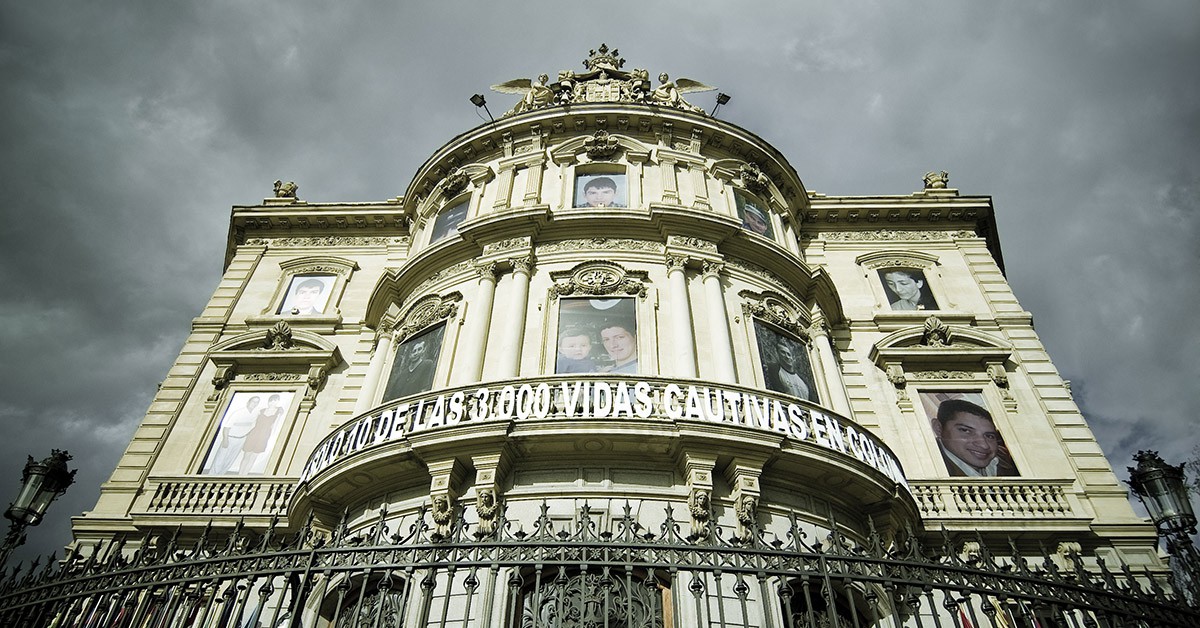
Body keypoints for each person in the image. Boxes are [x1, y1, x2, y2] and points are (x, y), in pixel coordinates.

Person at [931, 399, 1018, 477]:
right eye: (966, 430)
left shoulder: (1006, 459)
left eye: (989, 436)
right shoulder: (931, 469)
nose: (984, 445)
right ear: (938, 428)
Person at [207, 395, 260, 474]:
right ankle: (212, 475)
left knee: (230, 459)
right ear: (248, 402)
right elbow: (226, 427)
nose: (254, 404)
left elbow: (252, 426)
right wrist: (225, 439)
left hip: (241, 439)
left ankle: (221, 475)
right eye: (253, 401)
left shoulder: (255, 414)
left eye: (257, 402)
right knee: (221, 458)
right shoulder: (238, 413)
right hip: (230, 438)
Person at [239, 394, 284, 474]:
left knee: (253, 457)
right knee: (246, 456)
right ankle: (240, 474)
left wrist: (272, 437)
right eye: (271, 401)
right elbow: (253, 423)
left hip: (264, 436)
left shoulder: (278, 412)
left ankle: (244, 475)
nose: (272, 403)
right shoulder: (261, 411)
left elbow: (275, 426)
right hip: (254, 434)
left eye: (275, 401)